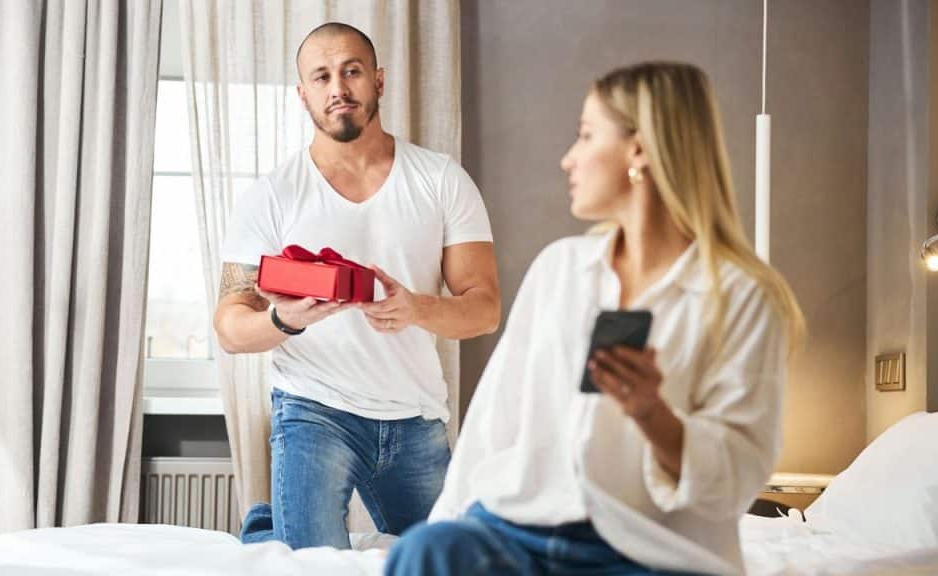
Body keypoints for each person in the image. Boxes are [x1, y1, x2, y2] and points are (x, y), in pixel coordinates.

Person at [386, 61, 805, 575]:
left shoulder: (743, 298)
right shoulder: (560, 270)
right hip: (517, 536)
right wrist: (442, 527)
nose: (568, 159)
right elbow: (494, 427)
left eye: (586, 136)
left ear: (639, 149)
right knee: (426, 552)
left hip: (647, 553)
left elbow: (738, 478)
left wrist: (655, 416)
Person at [213, 22, 500, 550]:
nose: (338, 88)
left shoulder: (440, 179)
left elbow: (484, 310)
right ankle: (274, 529)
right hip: (313, 410)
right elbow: (231, 326)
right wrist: (284, 320)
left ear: (379, 81)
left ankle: (264, 528)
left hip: (413, 414)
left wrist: (415, 308)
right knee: (311, 565)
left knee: (447, 562)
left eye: (351, 71)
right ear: (303, 95)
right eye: (320, 77)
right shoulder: (271, 195)